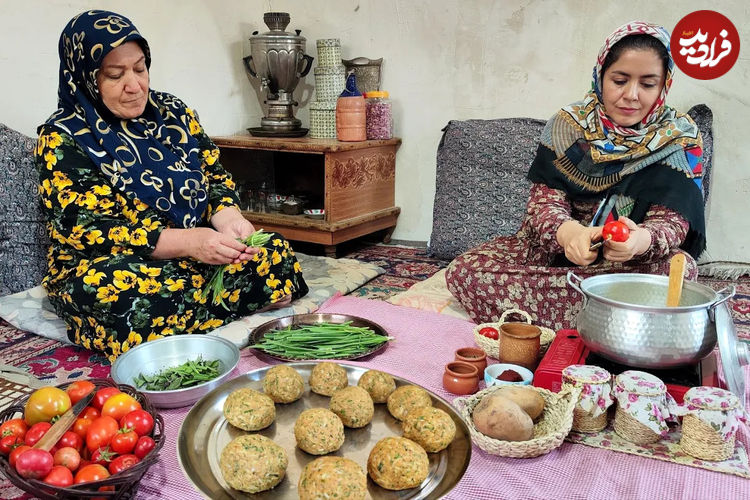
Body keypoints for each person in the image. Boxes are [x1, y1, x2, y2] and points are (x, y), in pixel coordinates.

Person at [35, 10, 308, 361]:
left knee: (271, 248)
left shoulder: (173, 113)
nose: (134, 85)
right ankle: (236, 300)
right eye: (115, 75)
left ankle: (195, 313)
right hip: (116, 265)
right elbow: (90, 231)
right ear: (85, 79)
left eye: (140, 68)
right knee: (121, 295)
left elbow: (213, 177)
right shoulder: (63, 137)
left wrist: (228, 217)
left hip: (198, 256)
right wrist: (187, 243)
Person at [446, 21, 705, 330]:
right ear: (600, 75)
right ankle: (612, 318)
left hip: (627, 263)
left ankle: (562, 316)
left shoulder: (679, 139)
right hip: (553, 252)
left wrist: (637, 241)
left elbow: (672, 224)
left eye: (648, 84)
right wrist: (571, 236)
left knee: (678, 270)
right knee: (463, 272)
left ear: (664, 85)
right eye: (619, 80)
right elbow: (543, 207)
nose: (631, 95)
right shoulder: (566, 126)